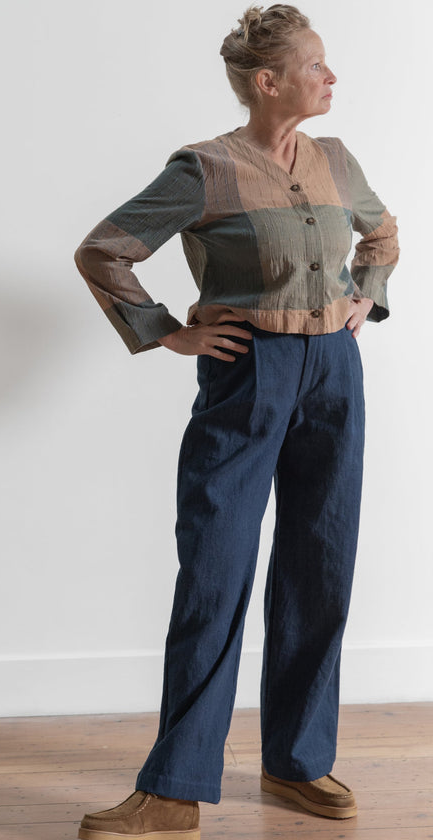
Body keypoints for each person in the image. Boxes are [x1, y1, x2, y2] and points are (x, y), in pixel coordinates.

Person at [73, 4, 399, 838]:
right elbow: (103, 250)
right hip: (247, 369)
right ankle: (173, 788)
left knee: (321, 563)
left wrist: (367, 295)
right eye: (315, 65)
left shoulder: (335, 159)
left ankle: (298, 760)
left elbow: (382, 233)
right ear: (268, 81)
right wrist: (166, 330)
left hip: (334, 373)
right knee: (215, 568)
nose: (331, 76)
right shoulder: (205, 169)